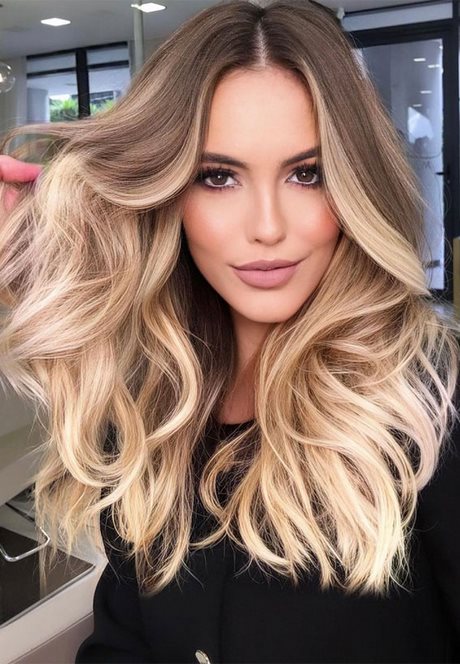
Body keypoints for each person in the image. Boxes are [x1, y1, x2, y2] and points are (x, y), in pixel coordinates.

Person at [0, 1, 459, 662]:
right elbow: (124, 642)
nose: (267, 227)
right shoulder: (151, 406)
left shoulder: (430, 408)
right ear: (167, 190)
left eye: (307, 174)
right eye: (218, 177)